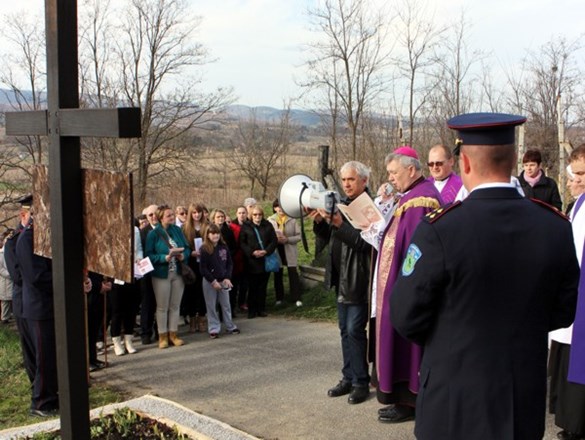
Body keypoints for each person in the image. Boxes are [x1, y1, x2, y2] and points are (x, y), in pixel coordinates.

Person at [390, 113, 579, 440]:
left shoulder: (440, 229)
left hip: (454, 396)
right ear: (513, 160)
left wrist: (452, 337)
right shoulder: (555, 226)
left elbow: (406, 314)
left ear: (463, 162)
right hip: (521, 396)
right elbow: (564, 310)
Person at [373, 147, 442, 423]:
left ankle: (408, 400)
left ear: (411, 170)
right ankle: (400, 397)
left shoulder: (421, 200)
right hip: (398, 284)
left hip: (406, 287)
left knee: (406, 343)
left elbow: (413, 249)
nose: (390, 179)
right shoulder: (410, 196)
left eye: (394, 173)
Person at [309, 161, 372, 405]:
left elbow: (364, 243)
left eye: (351, 179)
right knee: (345, 330)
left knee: (355, 331)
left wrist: (339, 224)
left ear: (364, 181)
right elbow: (328, 238)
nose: (346, 184)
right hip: (341, 278)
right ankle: (348, 377)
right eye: (344, 180)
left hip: (357, 280)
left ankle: (360, 382)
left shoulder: (368, 206)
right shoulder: (341, 204)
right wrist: (319, 223)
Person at [550, 144, 585, 440]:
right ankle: (572, 421)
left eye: (583, 173)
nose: (578, 179)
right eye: (575, 173)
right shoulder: (578, 204)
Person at [15, 195, 60, 417]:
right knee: (44, 357)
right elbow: (36, 276)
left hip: (49, 305)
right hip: (38, 307)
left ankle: (51, 395)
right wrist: (64, 281)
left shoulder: (43, 237)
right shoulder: (26, 240)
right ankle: (41, 402)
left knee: (52, 355)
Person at [145, 204, 191, 349]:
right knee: (162, 306)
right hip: (161, 274)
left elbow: (188, 247)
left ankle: (173, 334)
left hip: (177, 273)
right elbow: (149, 255)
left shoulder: (177, 230)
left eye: (172, 215)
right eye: (169, 215)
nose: (172, 217)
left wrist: (184, 255)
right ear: (160, 218)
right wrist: (163, 258)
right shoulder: (153, 234)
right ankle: (162, 336)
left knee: (175, 305)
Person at [199, 223, 240, 338]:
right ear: (207, 235)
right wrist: (213, 281)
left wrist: (227, 277)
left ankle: (230, 325)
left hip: (223, 280)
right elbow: (203, 268)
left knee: (226, 304)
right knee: (211, 305)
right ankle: (214, 328)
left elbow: (229, 264)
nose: (215, 235)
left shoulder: (224, 247)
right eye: (212, 233)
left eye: (217, 233)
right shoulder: (204, 249)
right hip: (210, 282)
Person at [239, 205, 278, 319]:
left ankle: (261, 309)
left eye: (259, 214)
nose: (257, 217)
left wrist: (266, 251)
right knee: (252, 287)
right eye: (255, 215)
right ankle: (252, 310)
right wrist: (252, 252)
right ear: (251, 215)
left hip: (265, 259)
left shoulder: (267, 225)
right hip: (252, 262)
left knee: (262, 286)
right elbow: (242, 243)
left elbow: (273, 240)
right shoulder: (246, 226)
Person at [109, 224, 143, 356]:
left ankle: (129, 340)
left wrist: (139, 258)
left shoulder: (135, 230)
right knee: (117, 310)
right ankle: (117, 341)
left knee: (132, 308)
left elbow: (138, 248)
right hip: (118, 274)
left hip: (133, 273)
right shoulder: (112, 228)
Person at [268, 199, 302, 307]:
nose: (280, 209)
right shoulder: (270, 220)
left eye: (282, 206)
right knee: (278, 275)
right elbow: (267, 237)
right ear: (275, 208)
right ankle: (279, 298)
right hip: (277, 250)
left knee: (293, 274)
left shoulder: (292, 220)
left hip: (289, 250)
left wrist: (287, 239)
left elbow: (299, 236)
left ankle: (296, 298)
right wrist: (275, 239)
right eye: (278, 206)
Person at [181, 203, 209, 333]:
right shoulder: (185, 228)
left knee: (203, 291)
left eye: (199, 212)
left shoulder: (207, 226)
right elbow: (182, 245)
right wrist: (190, 252)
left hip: (204, 262)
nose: (197, 215)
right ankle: (192, 318)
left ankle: (202, 318)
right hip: (191, 263)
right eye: (194, 213)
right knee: (191, 292)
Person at [210, 208, 238, 314]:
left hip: (227, 262)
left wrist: (227, 256)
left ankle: (227, 312)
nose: (221, 219)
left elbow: (234, 246)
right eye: (218, 217)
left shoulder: (228, 231)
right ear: (213, 219)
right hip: (213, 264)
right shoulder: (209, 231)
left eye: (222, 217)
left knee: (227, 288)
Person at [139, 204, 159, 344]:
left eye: (155, 213)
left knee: (162, 304)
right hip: (147, 274)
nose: (153, 217)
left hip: (163, 271)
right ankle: (146, 332)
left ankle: (161, 331)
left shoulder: (165, 230)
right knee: (148, 303)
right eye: (150, 215)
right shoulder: (142, 232)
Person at [233, 205, 250, 312]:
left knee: (245, 282)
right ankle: (233, 304)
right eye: (239, 213)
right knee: (235, 282)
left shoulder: (250, 225)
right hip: (235, 256)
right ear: (236, 214)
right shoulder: (232, 226)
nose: (242, 215)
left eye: (243, 213)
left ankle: (242, 302)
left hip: (247, 257)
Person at [0, 230, 14, 323]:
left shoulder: (10, 251)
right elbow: (1, 269)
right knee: (6, 302)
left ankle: (9, 316)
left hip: (11, 280)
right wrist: (11, 274)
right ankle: (5, 318)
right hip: (5, 281)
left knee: (10, 300)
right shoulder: (1, 254)